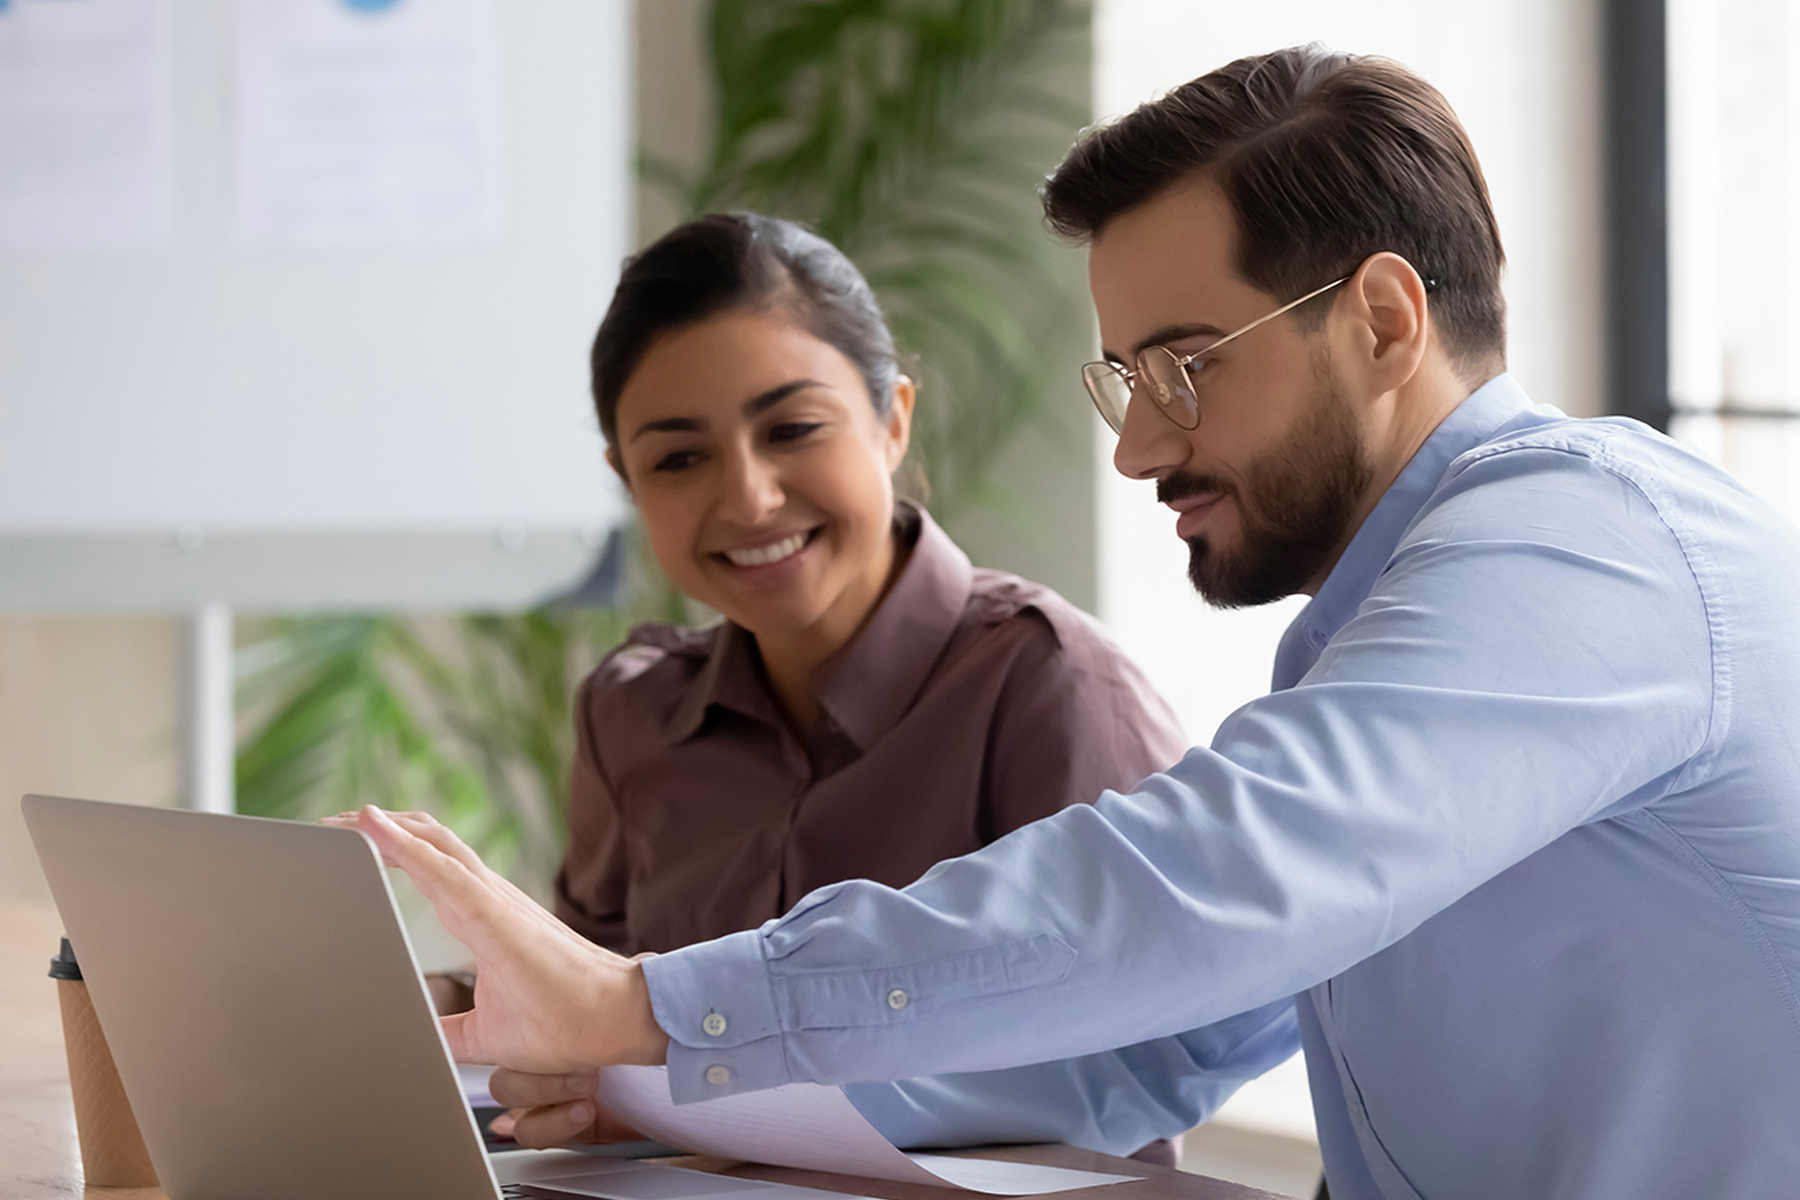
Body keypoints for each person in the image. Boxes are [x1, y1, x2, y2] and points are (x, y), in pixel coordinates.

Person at [342, 46, 1800, 1200]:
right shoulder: (1394, 626)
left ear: (1382, 320)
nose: (1136, 451)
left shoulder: (1587, 547)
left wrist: (651, 1007)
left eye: (1183, 369)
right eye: (1125, 382)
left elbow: (1205, 885)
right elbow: (1144, 1035)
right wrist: (641, 1079)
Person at [424, 212, 1197, 1163]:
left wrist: (700, 1094)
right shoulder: (633, 713)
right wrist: (548, 1072)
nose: (747, 497)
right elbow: (579, 1007)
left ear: (893, 419)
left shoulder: (1051, 686)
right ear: (626, 480)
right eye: (677, 458)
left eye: (791, 428)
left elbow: (1138, 1063)